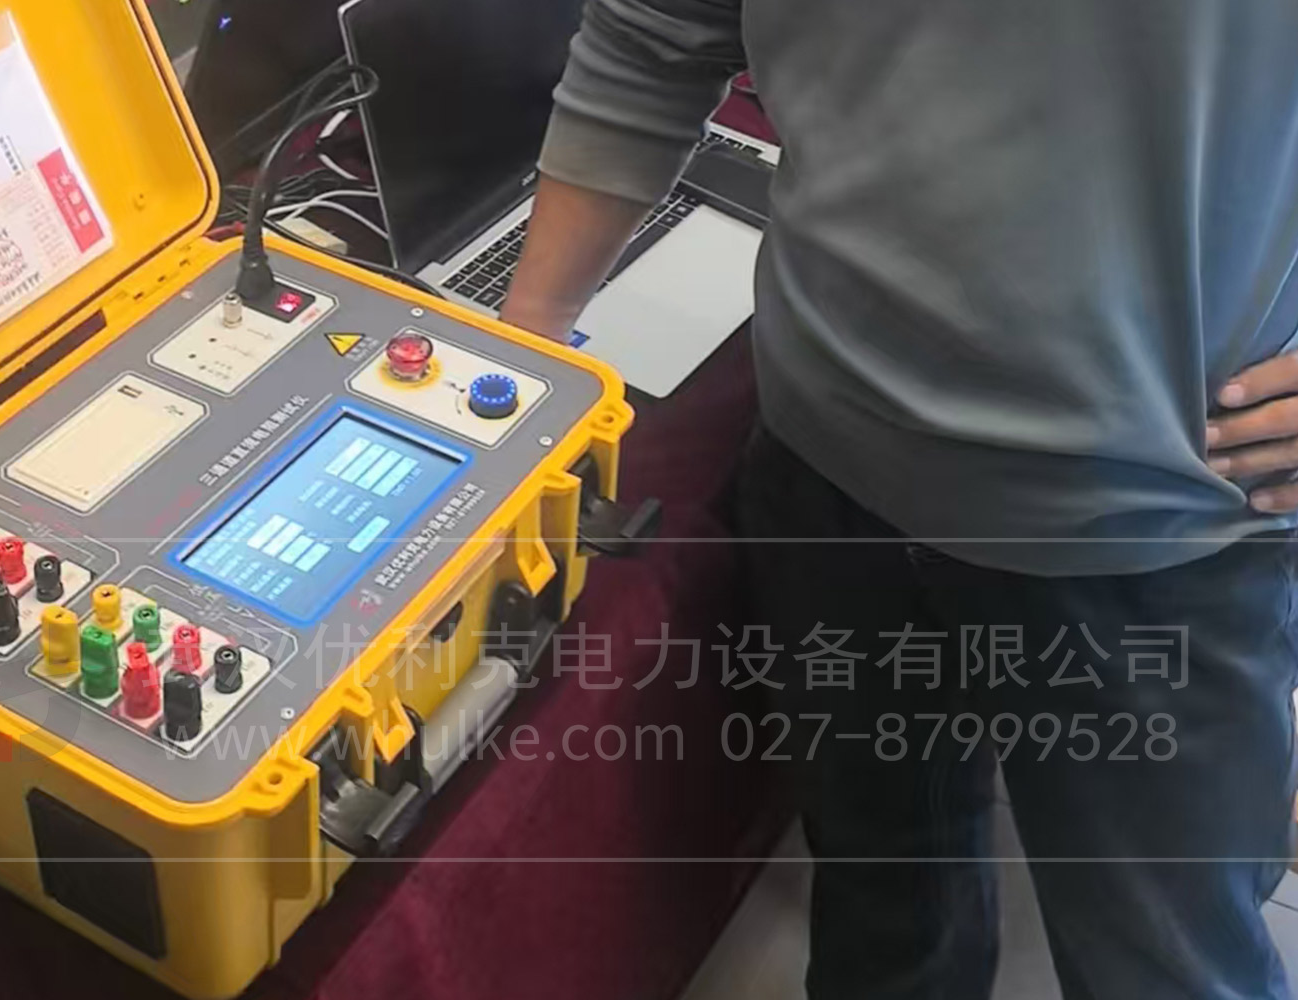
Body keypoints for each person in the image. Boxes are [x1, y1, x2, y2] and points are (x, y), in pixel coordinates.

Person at [499, 1, 1298, 997]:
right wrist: (522, 355)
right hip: (828, 466)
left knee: (1171, 964)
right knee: (884, 917)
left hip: (1156, 525)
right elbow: (654, 37)